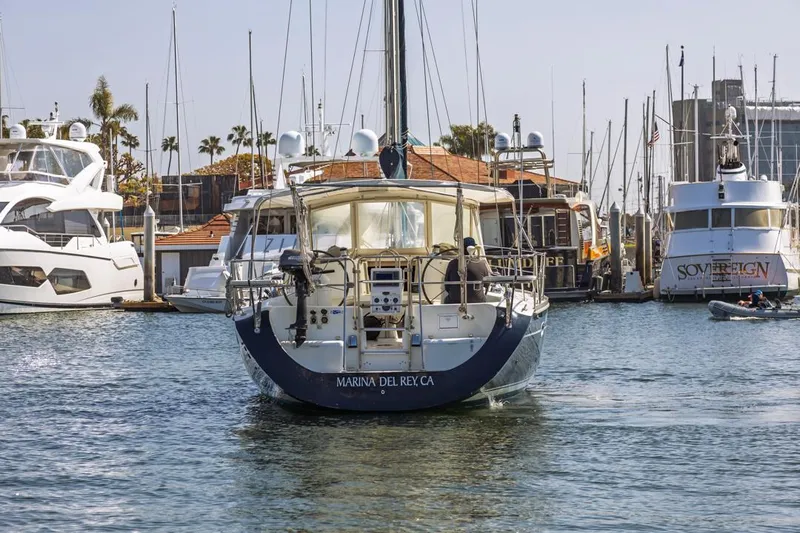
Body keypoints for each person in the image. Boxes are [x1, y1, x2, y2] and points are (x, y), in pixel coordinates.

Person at [443, 237, 490, 304]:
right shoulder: (481, 264)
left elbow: (447, 286)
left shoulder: (452, 264)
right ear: (474, 249)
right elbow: (486, 284)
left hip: (454, 301)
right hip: (477, 301)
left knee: (446, 299)